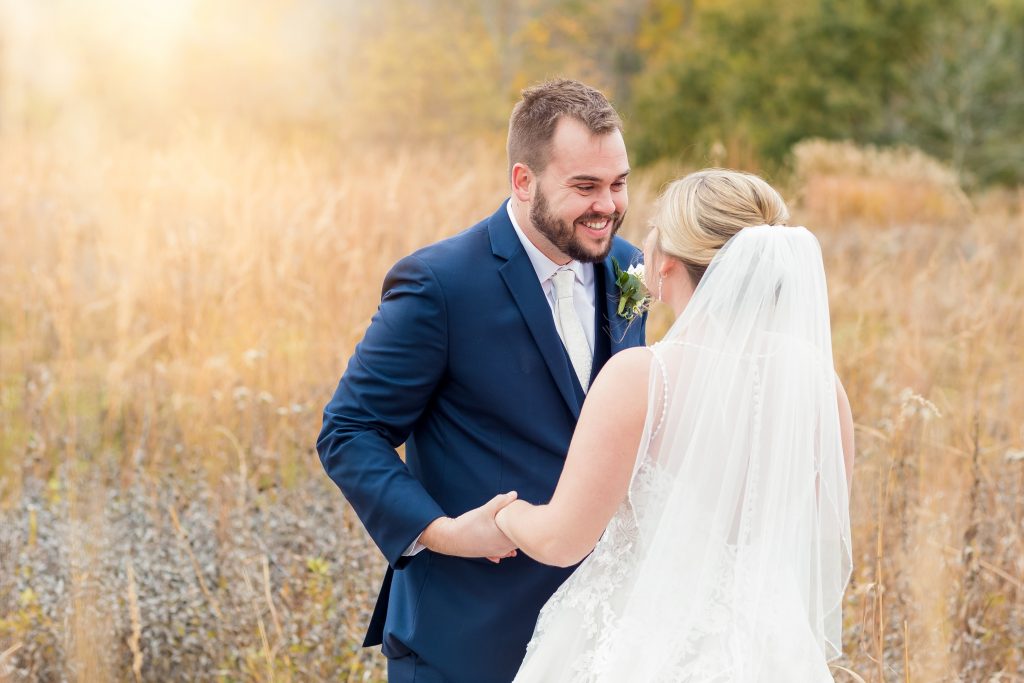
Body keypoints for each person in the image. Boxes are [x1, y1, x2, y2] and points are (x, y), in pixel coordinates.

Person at [316, 79, 646, 683]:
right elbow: (349, 430)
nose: (608, 204)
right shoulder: (440, 283)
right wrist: (441, 533)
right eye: (585, 186)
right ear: (524, 182)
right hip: (466, 641)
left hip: (596, 638)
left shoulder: (627, 268)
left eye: (618, 182)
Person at [493, 169, 855, 681]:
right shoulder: (821, 386)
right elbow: (817, 528)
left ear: (666, 262)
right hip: (768, 648)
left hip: (646, 644)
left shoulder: (644, 377)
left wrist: (504, 516)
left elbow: (562, 540)